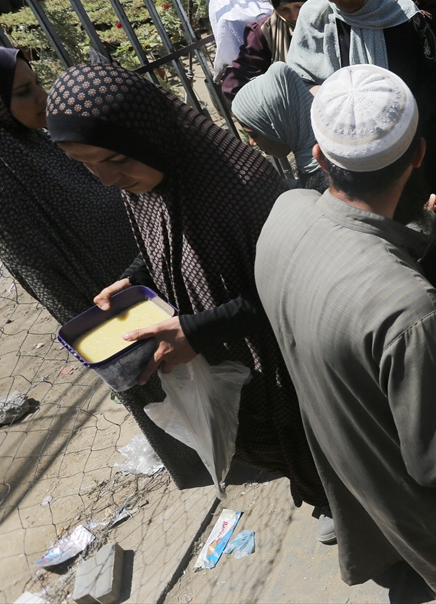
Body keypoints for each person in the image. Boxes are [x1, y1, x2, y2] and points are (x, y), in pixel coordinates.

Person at [254, 65, 436, 596]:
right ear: (419, 155)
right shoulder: (409, 310)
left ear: (319, 157)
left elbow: (348, 263)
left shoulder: (284, 214)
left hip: (352, 473)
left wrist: (412, 236)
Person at [45, 62, 328, 515]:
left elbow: (295, 287)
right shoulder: (144, 179)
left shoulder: (241, 187)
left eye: (115, 160)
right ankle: (317, 492)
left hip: (289, 363)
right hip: (235, 362)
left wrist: (198, 331)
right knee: (273, 443)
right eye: (86, 165)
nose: (106, 179)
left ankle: (351, 512)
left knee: (317, 443)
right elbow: (165, 235)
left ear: (151, 134)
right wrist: (137, 275)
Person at [0, 48, 215, 486]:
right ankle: (205, 460)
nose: (41, 96)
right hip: (105, 298)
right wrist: (105, 327)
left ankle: (234, 437)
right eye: (23, 92)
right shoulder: (1, 179)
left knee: (203, 365)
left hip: (141, 271)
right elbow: (42, 272)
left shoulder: (42, 141)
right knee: (157, 380)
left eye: (36, 83)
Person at [284, 0, 436, 315]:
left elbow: (434, 78)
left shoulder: (400, 14)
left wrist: (404, 129)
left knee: (435, 221)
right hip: (356, 151)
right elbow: (300, 73)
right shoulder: (317, 17)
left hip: (414, 141)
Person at [220, 0, 318, 102]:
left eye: (300, 6)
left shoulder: (332, 17)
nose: (295, 16)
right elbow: (234, 87)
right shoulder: (265, 33)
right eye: (284, 9)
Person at [232, 64, 325, 191]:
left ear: (279, 122)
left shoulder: (324, 179)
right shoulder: (319, 161)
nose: (252, 142)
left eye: (254, 134)